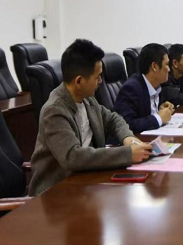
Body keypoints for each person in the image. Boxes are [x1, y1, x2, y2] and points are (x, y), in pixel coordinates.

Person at [29, 39, 152, 196]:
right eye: (97, 77)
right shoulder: (54, 111)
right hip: (55, 193)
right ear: (79, 81)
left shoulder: (87, 99)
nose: (100, 81)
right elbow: (73, 157)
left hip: (86, 182)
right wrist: (127, 154)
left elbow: (113, 119)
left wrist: (127, 138)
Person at [115, 43, 174, 134]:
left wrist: (160, 109)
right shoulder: (131, 88)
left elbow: (145, 113)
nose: (169, 69)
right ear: (154, 67)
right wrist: (158, 118)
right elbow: (126, 124)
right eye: (166, 64)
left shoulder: (156, 85)